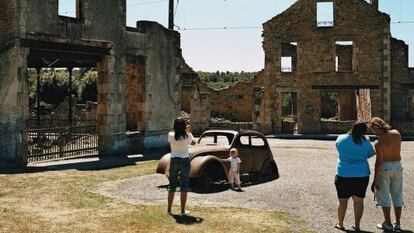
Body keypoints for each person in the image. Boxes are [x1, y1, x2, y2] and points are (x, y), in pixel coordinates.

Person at [334, 121, 375, 231]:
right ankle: (357, 226)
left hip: (343, 173)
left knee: (342, 201)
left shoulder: (341, 138)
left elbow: (337, 148)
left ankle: (341, 224)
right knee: (359, 201)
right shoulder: (365, 141)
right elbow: (371, 154)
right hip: (361, 175)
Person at [369, 117, 404, 231]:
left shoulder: (379, 143)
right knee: (397, 194)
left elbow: (379, 163)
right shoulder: (397, 134)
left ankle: (388, 223)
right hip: (398, 166)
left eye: (373, 129)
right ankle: (397, 224)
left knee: (384, 196)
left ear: (376, 128)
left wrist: (376, 180)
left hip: (386, 167)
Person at [167, 117, 196, 216]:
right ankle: (183, 211)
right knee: (184, 186)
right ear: (184, 126)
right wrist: (189, 131)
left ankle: (169, 210)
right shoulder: (187, 135)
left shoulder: (170, 135)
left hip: (174, 159)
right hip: (184, 160)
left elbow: (170, 143)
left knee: (172, 186)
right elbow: (193, 142)